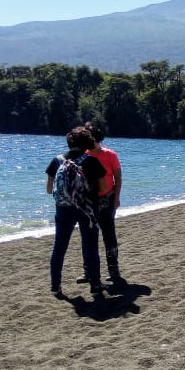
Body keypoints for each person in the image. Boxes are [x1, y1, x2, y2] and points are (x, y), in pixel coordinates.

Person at [45, 126, 107, 298]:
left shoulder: (57, 160)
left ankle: (55, 287)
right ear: (87, 142)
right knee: (90, 246)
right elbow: (104, 188)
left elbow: (50, 190)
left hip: (63, 209)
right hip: (87, 209)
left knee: (59, 247)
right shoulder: (92, 161)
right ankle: (95, 285)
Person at [80, 121, 126, 287]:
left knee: (108, 235)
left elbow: (118, 177)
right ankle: (88, 271)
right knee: (87, 237)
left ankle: (113, 270)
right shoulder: (83, 155)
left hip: (107, 198)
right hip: (89, 200)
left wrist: (116, 197)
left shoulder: (110, 155)